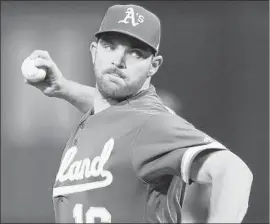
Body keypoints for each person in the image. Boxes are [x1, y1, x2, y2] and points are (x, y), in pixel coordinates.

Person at [24, 4, 253, 223]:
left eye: (135, 53)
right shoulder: (107, 114)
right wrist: (64, 88)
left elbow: (235, 172)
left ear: (154, 65)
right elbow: (111, 110)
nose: (118, 61)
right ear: (94, 51)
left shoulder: (151, 123)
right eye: (110, 46)